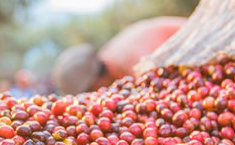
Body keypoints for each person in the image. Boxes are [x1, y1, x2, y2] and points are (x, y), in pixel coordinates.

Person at [51, 16, 186, 95]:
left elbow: (168, 94)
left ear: (96, 79)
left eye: (92, 91)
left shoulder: (136, 62)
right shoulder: (110, 56)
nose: (97, 95)